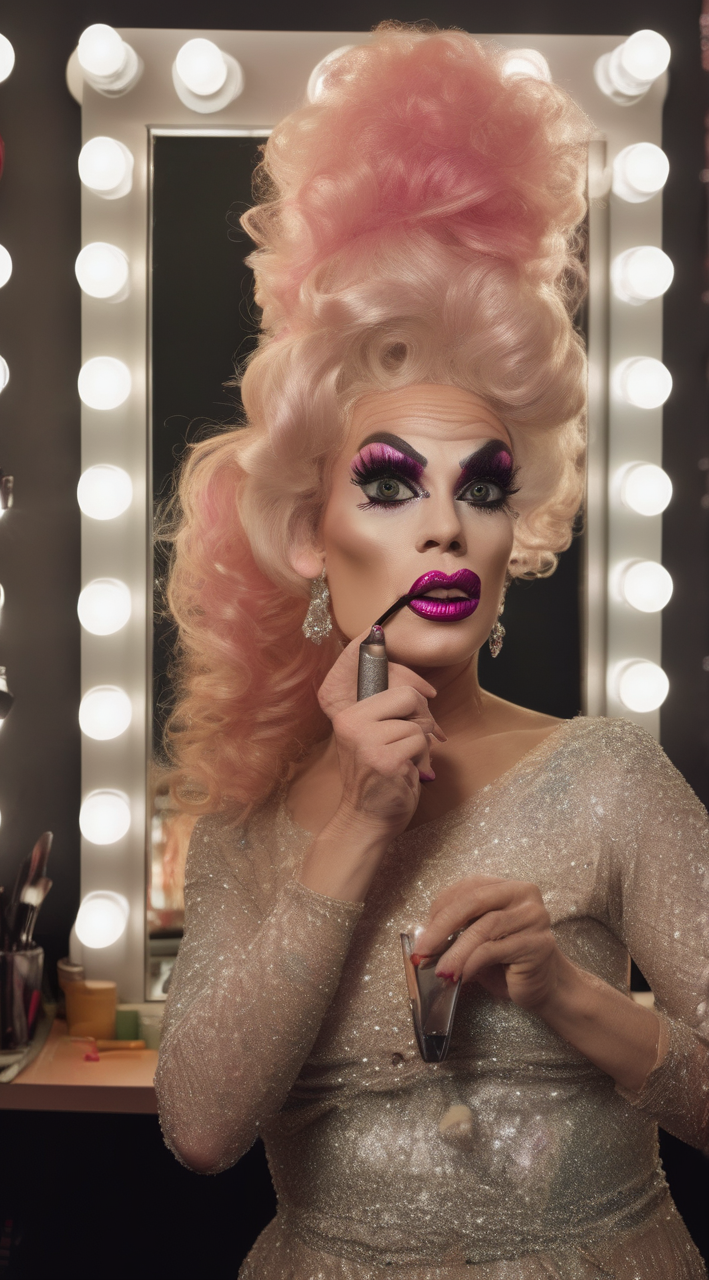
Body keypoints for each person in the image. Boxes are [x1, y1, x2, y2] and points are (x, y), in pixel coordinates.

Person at [154, 25, 709, 1279]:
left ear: (519, 527)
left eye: (486, 484)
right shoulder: (249, 828)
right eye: (394, 484)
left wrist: (578, 1001)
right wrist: (354, 824)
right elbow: (197, 1128)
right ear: (312, 531)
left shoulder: (610, 779)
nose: (448, 523)